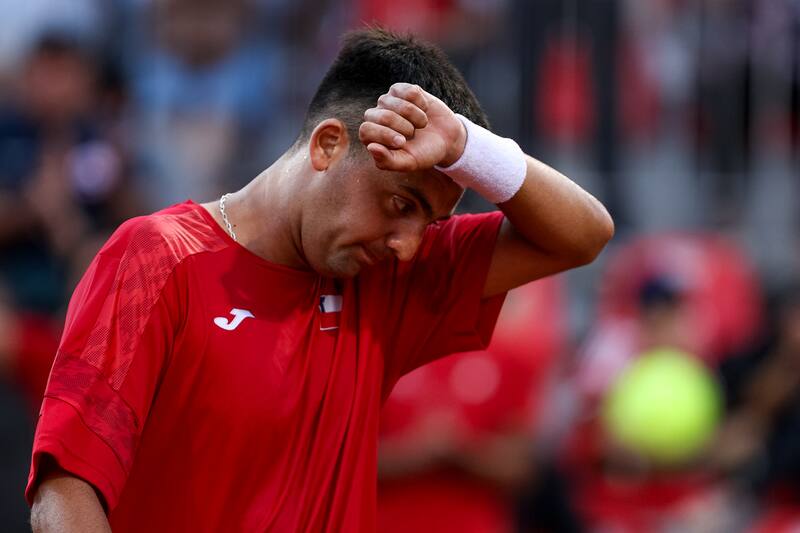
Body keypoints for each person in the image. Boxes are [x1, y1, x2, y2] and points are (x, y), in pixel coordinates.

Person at [26, 28, 613, 532]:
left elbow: (584, 233)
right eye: (400, 203)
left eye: (429, 221)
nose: (409, 244)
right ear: (329, 145)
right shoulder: (156, 256)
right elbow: (67, 486)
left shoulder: (386, 280)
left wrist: (467, 147)